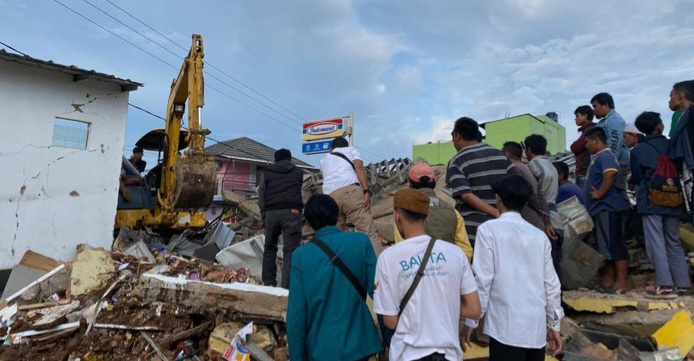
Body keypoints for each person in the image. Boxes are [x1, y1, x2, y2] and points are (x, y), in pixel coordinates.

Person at [462, 175, 563, 361]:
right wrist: (554, 325)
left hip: (505, 328)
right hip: (536, 329)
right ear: (525, 203)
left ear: (498, 199)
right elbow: (552, 285)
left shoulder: (489, 230)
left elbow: (483, 280)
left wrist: (471, 321)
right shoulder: (539, 236)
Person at [374, 188, 481, 361]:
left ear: (397, 217)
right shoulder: (455, 253)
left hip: (408, 355)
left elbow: (390, 321)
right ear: (427, 218)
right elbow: (474, 310)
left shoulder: (388, 258)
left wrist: (425, 305)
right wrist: (441, 304)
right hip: (449, 355)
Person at [287, 195, 383, 361]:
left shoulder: (301, 256)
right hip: (360, 343)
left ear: (309, 222)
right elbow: (381, 295)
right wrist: (389, 338)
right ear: (337, 215)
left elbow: (296, 314)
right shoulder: (361, 242)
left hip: (321, 349)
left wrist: (296, 357)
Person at [631, 112, 690, 298]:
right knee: (674, 241)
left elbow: (638, 177)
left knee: (656, 241)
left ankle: (664, 285)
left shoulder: (638, 150)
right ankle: (683, 285)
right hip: (673, 199)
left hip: (651, 200)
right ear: (660, 126)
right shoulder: (671, 145)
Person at [446, 117, 517, 246]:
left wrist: (495, 213)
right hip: (505, 228)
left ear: (457, 135)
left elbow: (466, 195)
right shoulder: (501, 155)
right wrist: (505, 214)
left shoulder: (456, 161)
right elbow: (517, 184)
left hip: (474, 231)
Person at [393, 163, 473, 261]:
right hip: (448, 270)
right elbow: (466, 251)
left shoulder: (403, 213)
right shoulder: (453, 212)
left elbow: (401, 249)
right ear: (434, 181)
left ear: (410, 183)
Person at [584, 127, 631, 293]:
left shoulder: (606, 156)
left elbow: (610, 174)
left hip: (609, 207)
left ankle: (622, 282)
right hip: (601, 209)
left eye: (588, 142)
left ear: (596, 141)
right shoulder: (599, 157)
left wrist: (599, 193)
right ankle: (610, 280)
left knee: (615, 245)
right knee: (607, 246)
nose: (587, 146)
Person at [320, 137, 384, 254]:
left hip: (329, 197)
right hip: (350, 191)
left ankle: (338, 268)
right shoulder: (351, 150)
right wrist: (366, 191)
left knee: (335, 236)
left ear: (331, 149)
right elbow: (359, 168)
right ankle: (378, 268)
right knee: (368, 232)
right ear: (346, 146)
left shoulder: (324, 160)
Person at [258, 149, 304, 288]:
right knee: (291, 251)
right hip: (292, 211)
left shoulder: (267, 173)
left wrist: (264, 214)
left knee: (270, 247)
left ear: (275, 159)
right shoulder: (298, 173)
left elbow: (262, 194)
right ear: (290, 159)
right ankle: (287, 287)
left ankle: (269, 283)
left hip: (272, 212)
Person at [524, 134, 563, 276]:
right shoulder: (552, 165)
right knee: (554, 264)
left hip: (543, 219)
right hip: (556, 218)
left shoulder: (534, 166)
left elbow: (535, 193)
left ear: (528, 149)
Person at [501, 141, 548, 231]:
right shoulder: (526, 168)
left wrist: (538, 209)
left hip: (528, 222)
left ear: (506, 154)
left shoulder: (514, 168)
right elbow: (539, 195)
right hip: (536, 223)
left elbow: (531, 193)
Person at [591, 92, 630, 197]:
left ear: (606, 105)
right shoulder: (605, 121)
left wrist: (609, 164)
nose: (593, 110)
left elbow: (614, 143)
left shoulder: (614, 120)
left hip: (616, 163)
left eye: (595, 106)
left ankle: (624, 213)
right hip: (610, 163)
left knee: (618, 192)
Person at [668, 80, 694, 219]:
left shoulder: (690, 115)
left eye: (671, 95)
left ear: (680, 95)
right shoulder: (683, 116)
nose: (669, 100)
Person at [570, 105, 597, 188]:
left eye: (577, 116)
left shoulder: (589, 130)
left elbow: (575, 148)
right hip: (584, 171)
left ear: (585, 116)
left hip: (585, 172)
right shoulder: (586, 130)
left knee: (584, 199)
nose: (575, 119)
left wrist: (575, 144)